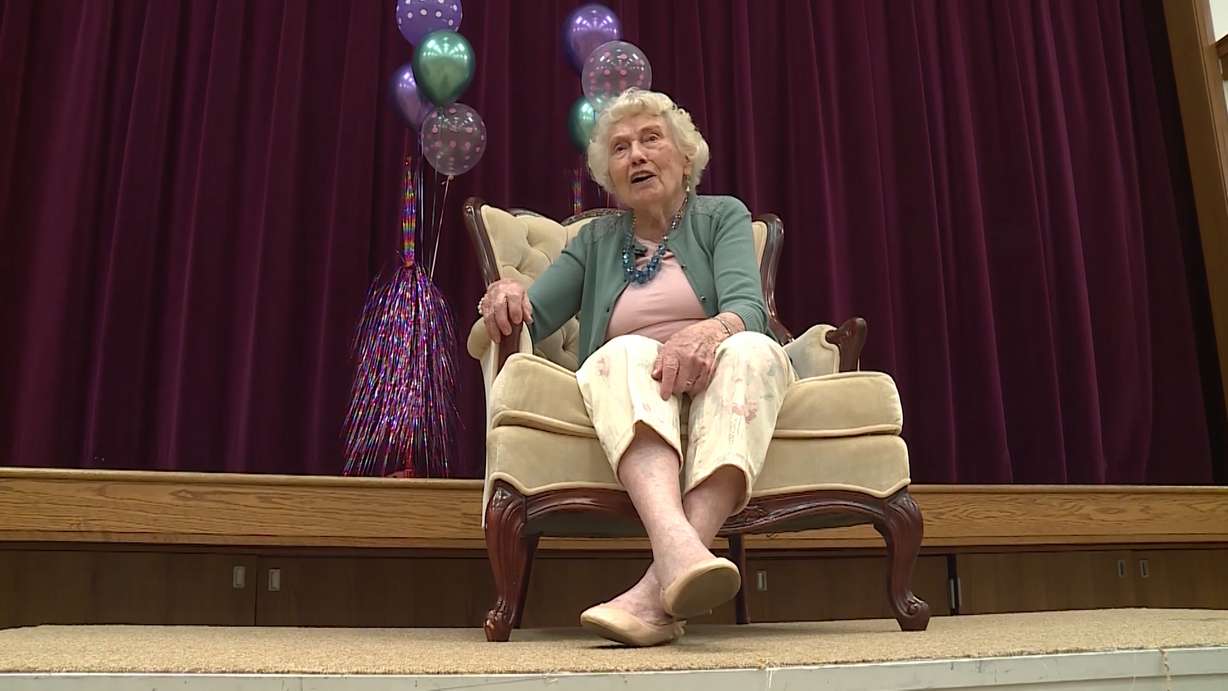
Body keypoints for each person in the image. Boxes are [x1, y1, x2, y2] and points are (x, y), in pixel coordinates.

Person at [477, 89, 795, 646]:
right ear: (610, 174)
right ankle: (681, 557)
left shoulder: (722, 215)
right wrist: (507, 292)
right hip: (634, 384)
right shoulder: (596, 241)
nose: (637, 156)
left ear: (686, 156)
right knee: (621, 352)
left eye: (651, 139)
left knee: (751, 348)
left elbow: (748, 310)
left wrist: (707, 332)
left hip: (723, 367)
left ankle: (656, 587)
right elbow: (537, 309)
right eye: (621, 148)